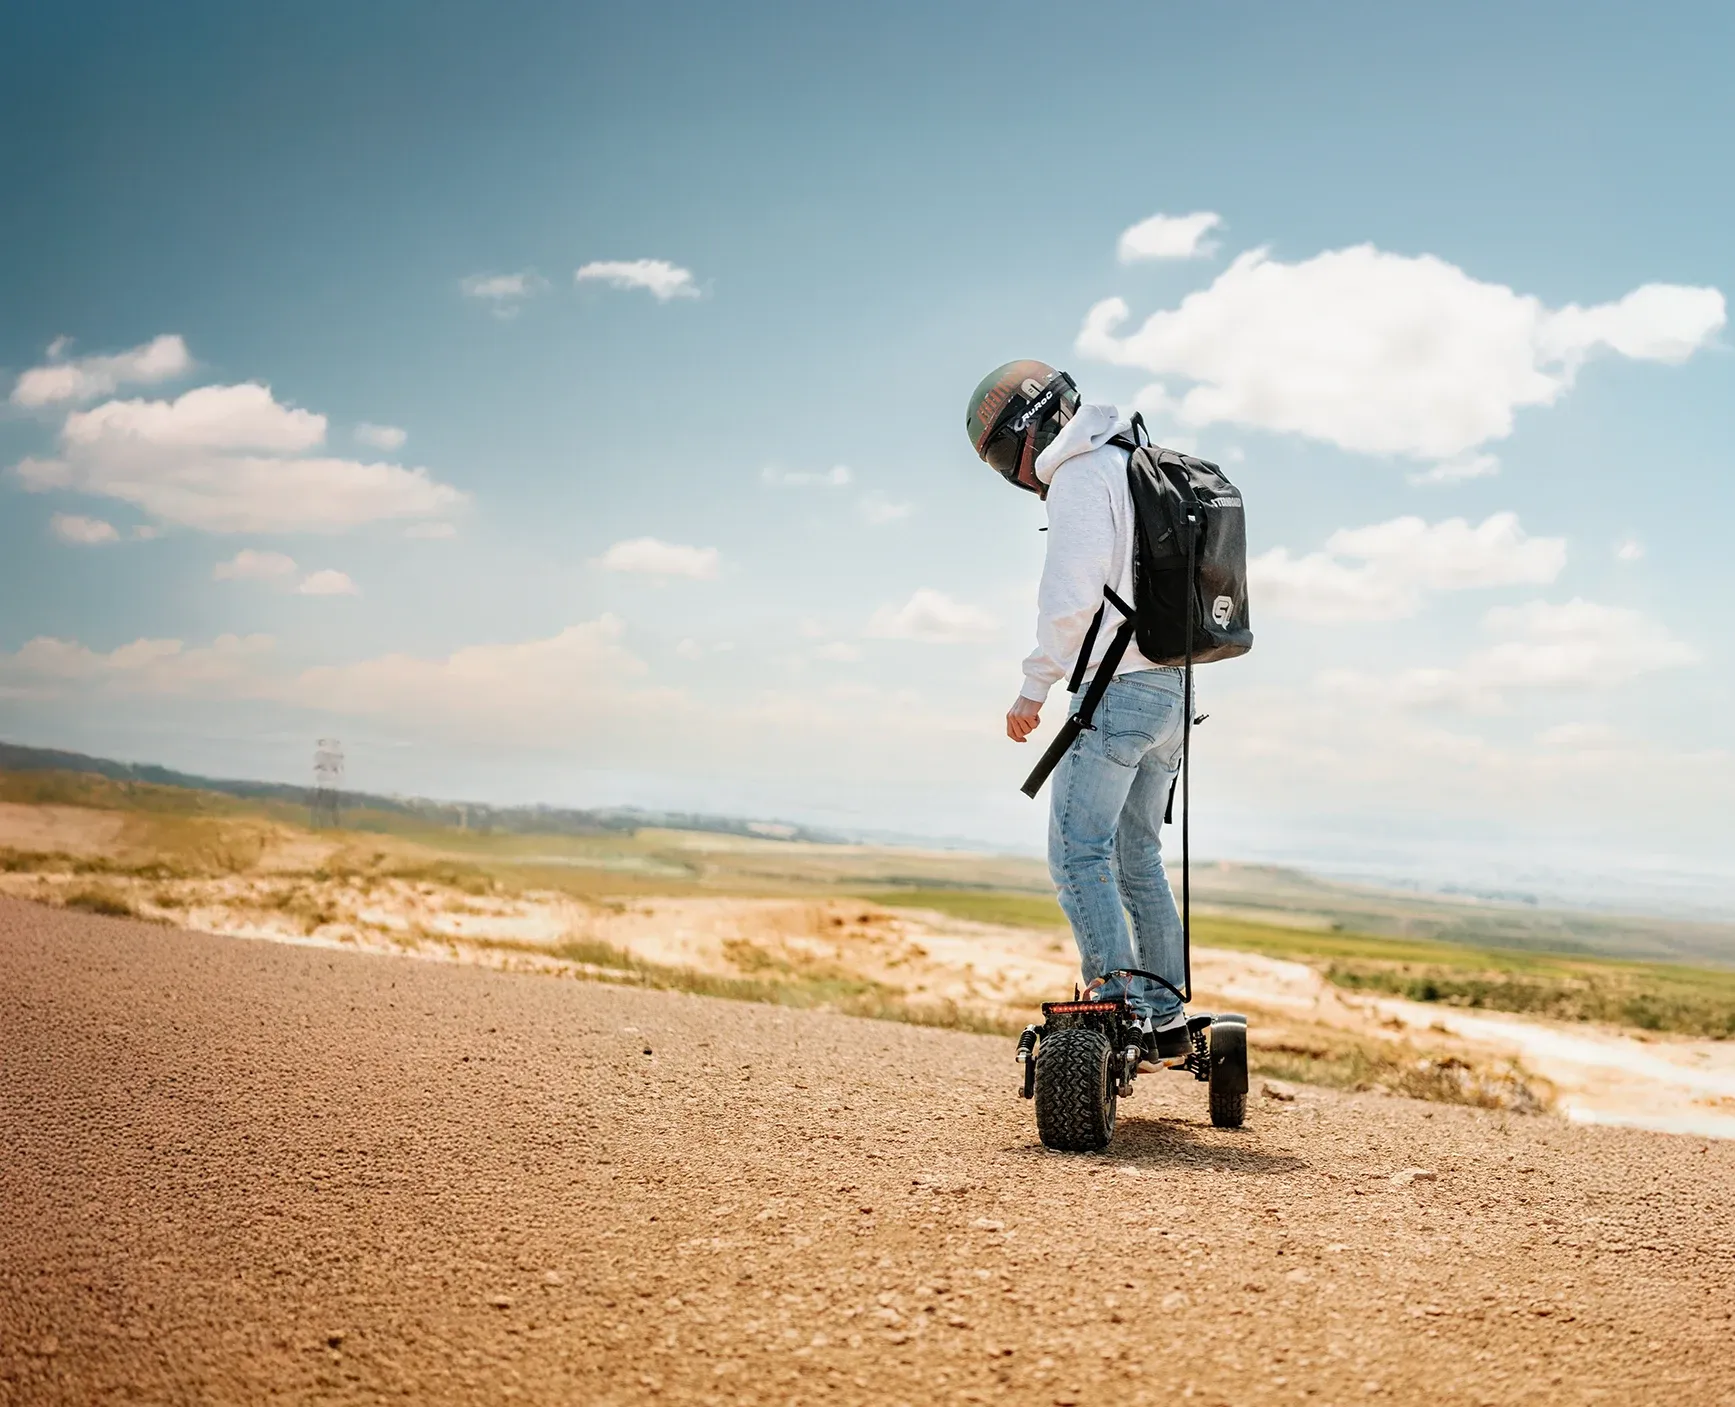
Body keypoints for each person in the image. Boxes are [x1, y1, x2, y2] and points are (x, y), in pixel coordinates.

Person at [966, 359, 1192, 1068]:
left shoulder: (1079, 474)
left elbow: (1070, 596)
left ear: (1029, 431)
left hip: (1114, 690)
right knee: (1138, 856)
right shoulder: (1130, 457)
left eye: (1003, 454)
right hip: (1173, 689)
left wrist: (1033, 686)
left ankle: (1114, 1006)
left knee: (1076, 851)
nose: (1013, 473)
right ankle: (1165, 1018)